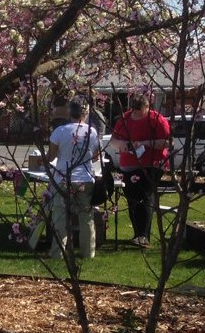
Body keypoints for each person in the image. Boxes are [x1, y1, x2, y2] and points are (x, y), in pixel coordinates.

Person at [110, 92, 171, 248]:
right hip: (128, 163)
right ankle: (138, 234)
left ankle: (143, 235)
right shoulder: (125, 119)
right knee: (132, 198)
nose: (136, 114)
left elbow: (165, 142)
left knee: (145, 196)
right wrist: (122, 145)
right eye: (134, 111)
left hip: (151, 163)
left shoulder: (157, 119)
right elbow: (113, 140)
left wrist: (145, 143)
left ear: (147, 107)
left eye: (140, 111)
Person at [45, 99, 101, 259]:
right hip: (85, 178)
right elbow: (96, 156)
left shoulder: (60, 131)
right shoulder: (92, 132)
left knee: (60, 216)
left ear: (70, 112)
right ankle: (88, 252)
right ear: (86, 113)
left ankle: (58, 252)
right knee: (86, 218)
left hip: (64, 177)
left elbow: (52, 156)